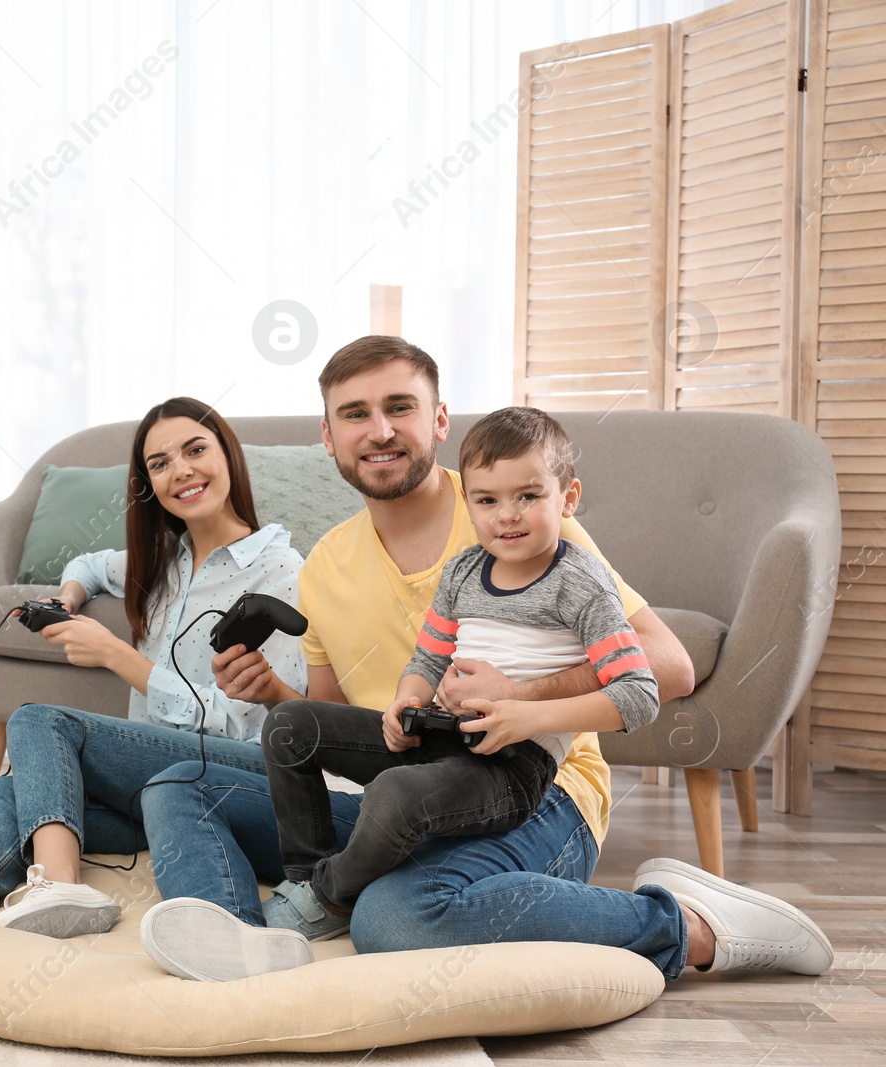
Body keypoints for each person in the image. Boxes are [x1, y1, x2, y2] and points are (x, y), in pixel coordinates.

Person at [135, 336, 833, 986]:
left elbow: (667, 666)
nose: (379, 429)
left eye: (398, 406)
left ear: (438, 418)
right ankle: (250, 937)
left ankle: (689, 923)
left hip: (539, 791)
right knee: (176, 783)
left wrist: (520, 695)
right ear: (328, 436)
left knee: (396, 917)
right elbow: (340, 724)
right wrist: (273, 695)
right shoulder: (326, 566)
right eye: (355, 413)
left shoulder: (520, 518)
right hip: (407, 785)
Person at [0, 396, 307, 939]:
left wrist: (115, 654)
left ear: (229, 457)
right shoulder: (164, 566)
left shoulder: (279, 569)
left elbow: (247, 726)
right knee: (19, 788)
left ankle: (60, 885)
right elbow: (91, 565)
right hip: (156, 787)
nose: (181, 471)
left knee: (39, 720)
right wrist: (70, 596)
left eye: (196, 450)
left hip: (234, 776)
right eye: (160, 463)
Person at [259, 406, 659, 937]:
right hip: (443, 738)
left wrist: (525, 714)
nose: (507, 515)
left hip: (514, 767)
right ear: (467, 502)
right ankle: (307, 880)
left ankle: (331, 895)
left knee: (395, 795)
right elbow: (430, 655)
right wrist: (407, 697)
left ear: (569, 498)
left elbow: (639, 694)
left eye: (529, 496)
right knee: (290, 726)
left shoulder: (581, 583)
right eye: (487, 500)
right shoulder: (465, 571)